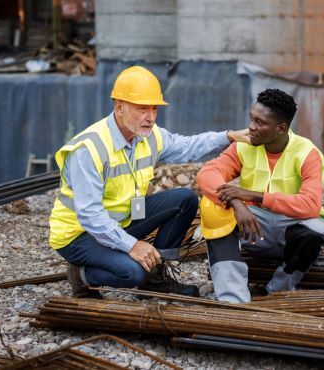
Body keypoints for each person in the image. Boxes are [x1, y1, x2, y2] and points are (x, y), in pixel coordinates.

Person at [48, 65, 249, 299]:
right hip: (78, 234)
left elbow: (187, 146)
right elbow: (90, 215)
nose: (151, 117)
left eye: (154, 108)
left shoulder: (149, 136)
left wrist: (227, 136)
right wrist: (132, 246)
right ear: (119, 107)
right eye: (142, 108)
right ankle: (81, 275)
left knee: (184, 200)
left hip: (121, 219)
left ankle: (155, 277)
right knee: (133, 273)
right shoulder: (89, 149)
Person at [196, 88, 324, 303]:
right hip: (252, 228)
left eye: (260, 123)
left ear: (281, 128)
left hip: (286, 234)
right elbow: (207, 174)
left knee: (315, 229)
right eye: (251, 118)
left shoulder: (307, 153)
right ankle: (233, 300)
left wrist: (254, 195)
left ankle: (278, 290)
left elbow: (310, 205)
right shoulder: (244, 144)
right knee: (211, 207)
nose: (251, 127)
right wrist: (236, 202)